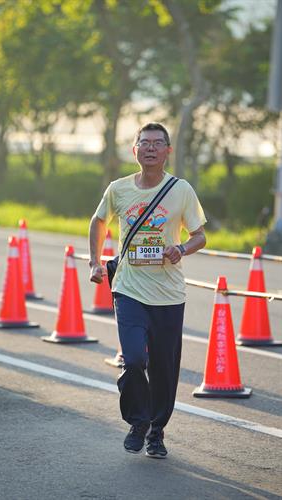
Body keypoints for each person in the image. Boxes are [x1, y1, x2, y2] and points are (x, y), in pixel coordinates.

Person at [89, 122, 206, 459]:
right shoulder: (119, 189)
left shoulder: (181, 190)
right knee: (135, 358)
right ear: (135, 150)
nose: (151, 148)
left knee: (165, 370)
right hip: (128, 288)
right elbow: (99, 221)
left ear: (168, 151)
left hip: (169, 294)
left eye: (158, 143)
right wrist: (95, 263)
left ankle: (157, 431)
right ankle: (138, 421)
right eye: (145, 143)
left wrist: (182, 249)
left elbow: (200, 235)